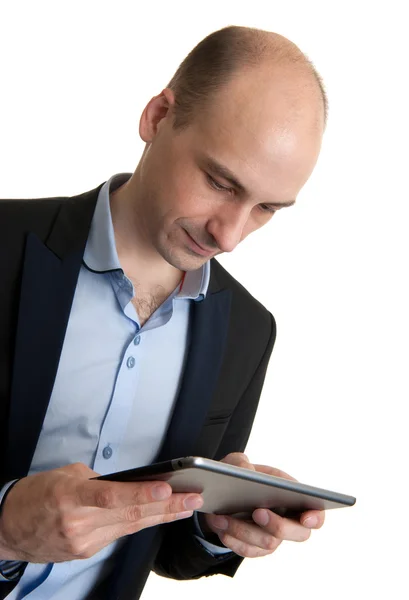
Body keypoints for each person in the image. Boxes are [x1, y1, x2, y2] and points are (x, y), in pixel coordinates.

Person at [0, 24, 326, 600]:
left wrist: (218, 527)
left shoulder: (249, 331)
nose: (230, 234)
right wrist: (5, 530)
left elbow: (163, 551)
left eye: (266, 208)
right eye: (220, 182)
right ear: (157, 117)